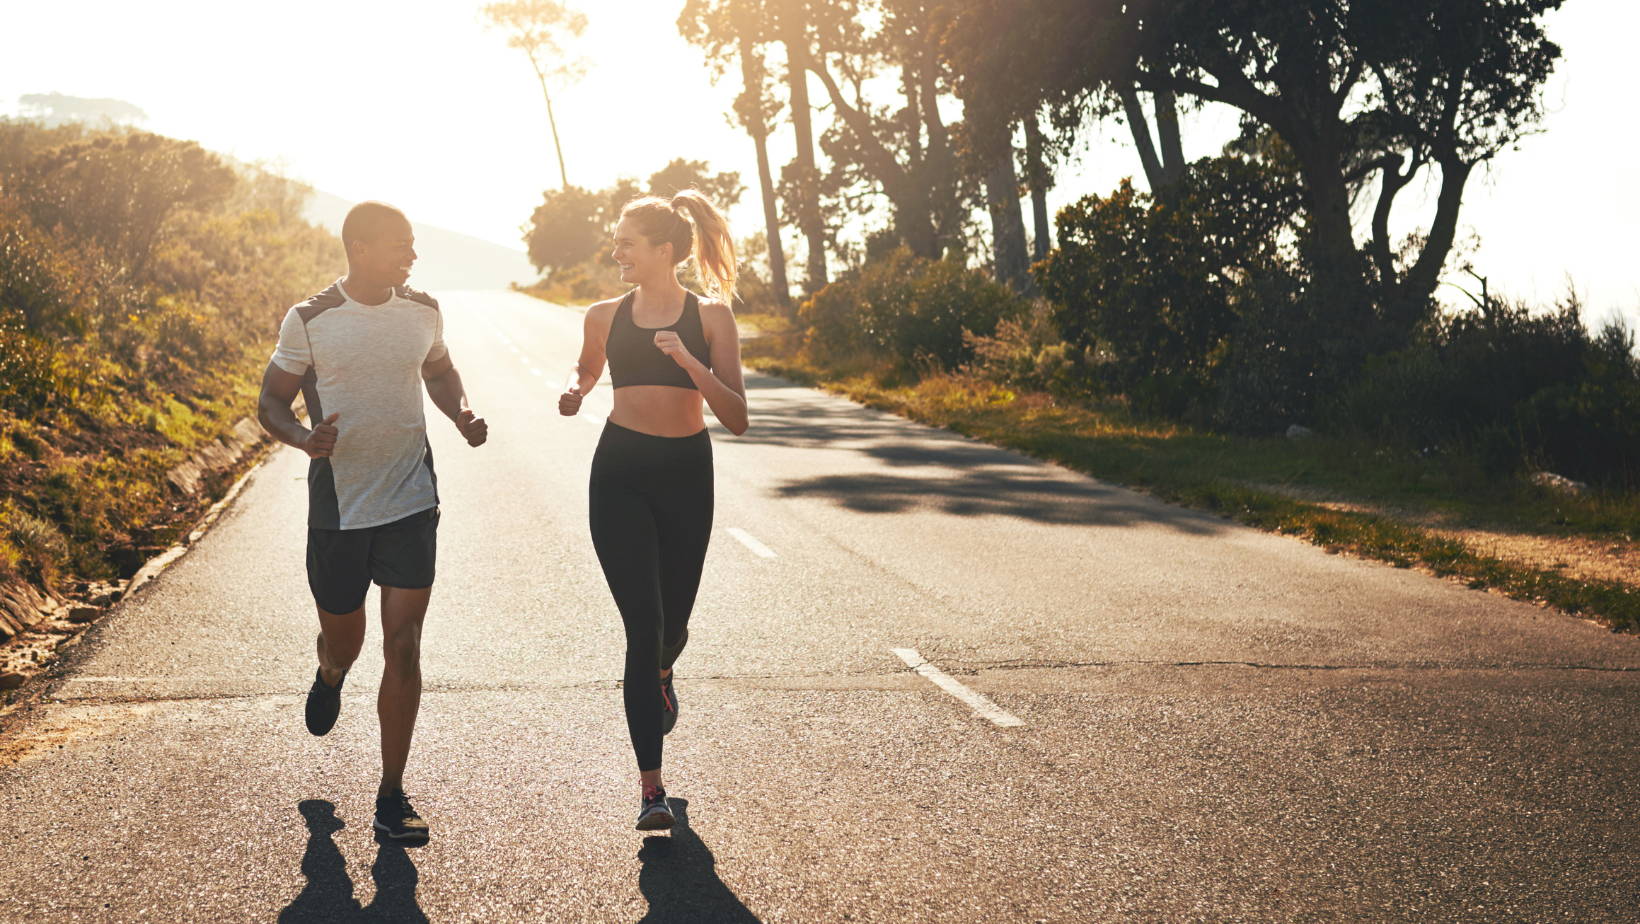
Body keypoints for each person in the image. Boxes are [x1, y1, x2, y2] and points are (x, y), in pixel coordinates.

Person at [257, 201, 488, 843]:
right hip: (340, 510)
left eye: (413, 245)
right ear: (359, 247)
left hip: (411, 500)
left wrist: (462, 414)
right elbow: (270, 402)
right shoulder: (310, 319)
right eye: (399, 245)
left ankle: (391, 794)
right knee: (346, 639)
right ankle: (330, 671)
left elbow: (440, 371)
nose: (411, 256)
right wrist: (305, 439)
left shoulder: (423, 310)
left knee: (405, 644)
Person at [558, 189, 749, 830]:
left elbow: (738, 418)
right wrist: (574, 390)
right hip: (620, 475)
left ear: (664, 251)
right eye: (617, 242)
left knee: (672, 626)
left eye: (628, 243)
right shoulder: (603, 315)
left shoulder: (712, 318)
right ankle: (651, 790)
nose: (617, 253)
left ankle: (666, 667)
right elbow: (586, 371)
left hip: (686, 475)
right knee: (642, 627)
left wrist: (685, 356)